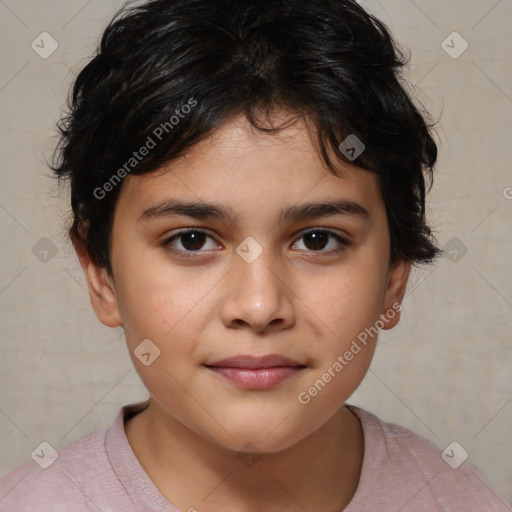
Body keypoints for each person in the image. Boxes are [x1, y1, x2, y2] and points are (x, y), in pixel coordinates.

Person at [1, 0, 510, 510]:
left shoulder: (458, 499)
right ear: (101, 275)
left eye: (318, 240)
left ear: (394, 276)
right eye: (192, 240)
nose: (260, 305)